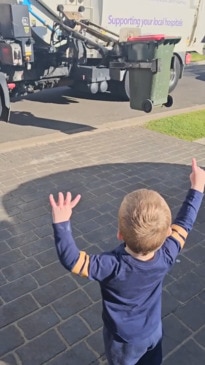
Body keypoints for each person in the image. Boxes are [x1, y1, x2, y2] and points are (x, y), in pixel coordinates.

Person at [49, 158, 205, 365]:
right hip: (153, 332)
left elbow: (72, 260)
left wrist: (61, 223)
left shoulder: (110, 265)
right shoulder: (168, 254)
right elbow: (185, 222)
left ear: (120, 234)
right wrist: (197, 187)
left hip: (124, 342)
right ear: (168, 233)